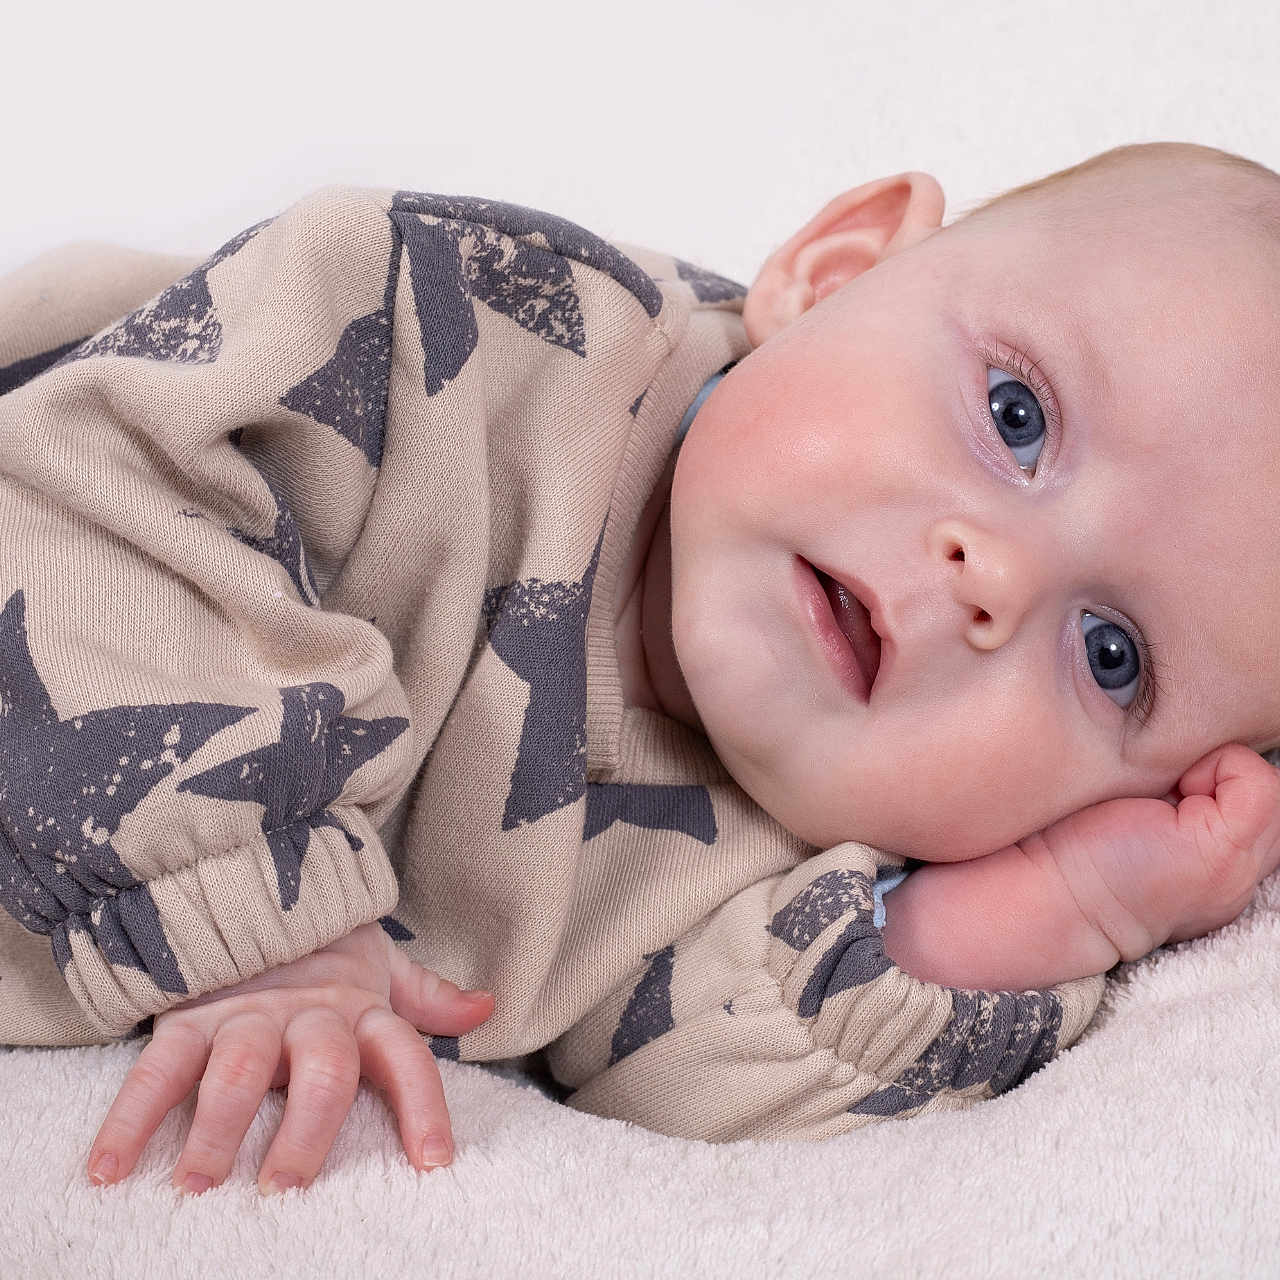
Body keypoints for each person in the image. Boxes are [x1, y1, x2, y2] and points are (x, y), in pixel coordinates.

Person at [1, 141, 1277, 1198]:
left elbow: (688, 1082)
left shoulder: (810, 864)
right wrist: (256, 915)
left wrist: (1066, 901)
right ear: (837, 271)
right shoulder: (443, 329)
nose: (990, 576)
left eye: (1110, 657)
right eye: (1016, 416)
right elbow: (70, 505)